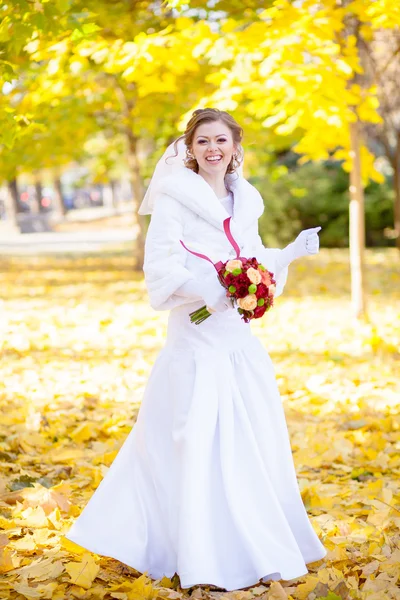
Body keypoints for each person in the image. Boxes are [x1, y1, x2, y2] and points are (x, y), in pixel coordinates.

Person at [65, 108, 327, 592]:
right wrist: (211, 288)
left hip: (236, 343)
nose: (213, 149)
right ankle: (192, 549)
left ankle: (255, 545)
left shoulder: (245, 199)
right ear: (190, 148)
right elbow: (160, 270)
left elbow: (254, 260)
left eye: (221, 140)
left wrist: (288, 254)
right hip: (195, 339)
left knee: (250, 442)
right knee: (191, 440)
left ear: (234, 146)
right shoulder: (174, 199)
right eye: (203, 140)